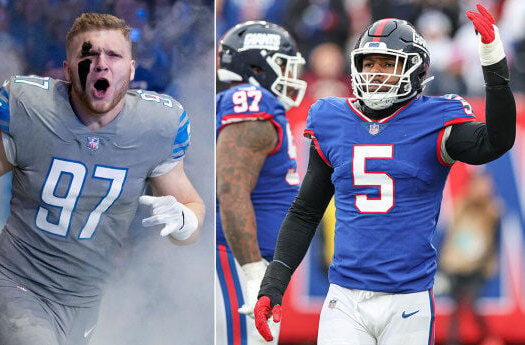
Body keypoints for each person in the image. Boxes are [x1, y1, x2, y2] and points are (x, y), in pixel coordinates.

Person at [0, 13, 205, 345]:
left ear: (132, 69)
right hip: (13, 288)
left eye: (114, 55)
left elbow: (191, 209)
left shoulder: (156, 126)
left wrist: (184, 220)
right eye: (88, 55)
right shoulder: (33, 110)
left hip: (83, 308)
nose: (100, 64)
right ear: (67, 69)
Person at [254, 4, 516, 344]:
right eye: (369, 63)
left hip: (407, 300)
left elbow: (498, 140)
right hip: (344, 297)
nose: (375, 73)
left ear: (415, 71)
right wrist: (273, 282)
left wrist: (493, 61)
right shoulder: (333, 118)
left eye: (387, 63)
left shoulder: (436, 120)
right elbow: (305, 210)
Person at [215, 21, 306, 345]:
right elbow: (230, 189)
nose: (291, 74)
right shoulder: (252, 99)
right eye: (283, 64)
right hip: (233, 261)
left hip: (243, 260)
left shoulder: (257, 105)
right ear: (257, 65)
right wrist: (253, 273)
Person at [440, 172, 501, 345]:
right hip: (456, 265)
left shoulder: (492, 212)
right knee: (456, 307)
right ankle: (453, 341)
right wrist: (444, 262)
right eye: (481, 185)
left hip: (477, 266)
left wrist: (490, 264)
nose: (484, 190)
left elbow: (495, 241)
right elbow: (450, 235)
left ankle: (489, 338)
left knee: (473, 304)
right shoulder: (461, 206)